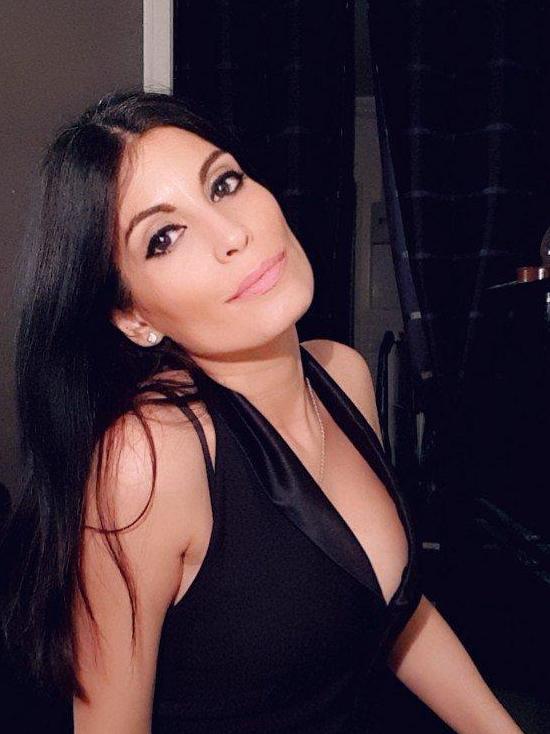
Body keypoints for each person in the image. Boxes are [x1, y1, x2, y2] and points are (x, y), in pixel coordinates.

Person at [0, 91, 523, 734]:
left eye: (224, 184)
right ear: (134, 318)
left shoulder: (343, 373)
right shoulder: (148, 457)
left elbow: (389, 605)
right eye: (164, 238)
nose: (233, 235)